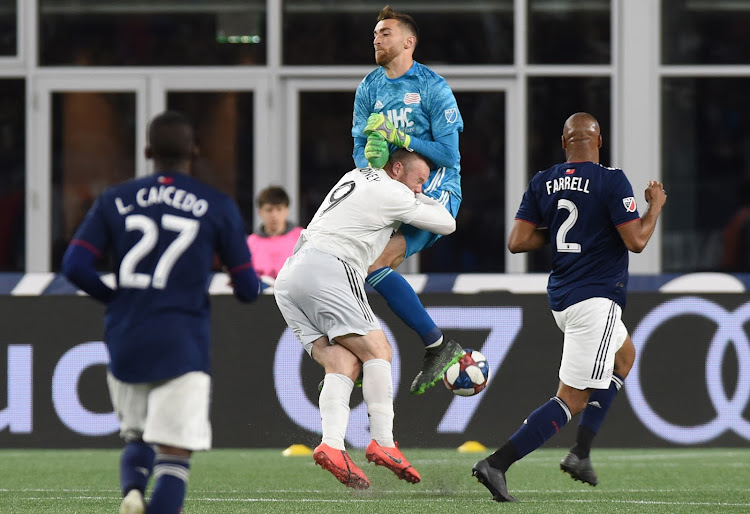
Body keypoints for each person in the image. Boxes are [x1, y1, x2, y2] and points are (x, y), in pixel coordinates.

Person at [61, 110, 260, 514]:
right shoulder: (217, 206)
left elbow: (74, 266)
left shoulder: (114, 199)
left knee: (137, 438)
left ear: (148, 151)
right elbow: (247, 290)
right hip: (182, 341)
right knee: (174, 455)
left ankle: (133, 491)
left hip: (126, 335)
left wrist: (114, 297)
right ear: (195, 150)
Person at [472, 113, 667, 502]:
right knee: (572, 398)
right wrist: (655, 206)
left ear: (565, 143)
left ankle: (581, 453)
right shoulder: (611, 179)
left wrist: (569, 233)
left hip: (563, 297)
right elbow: (637, 241)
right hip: (595, 299)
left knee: (624, 357)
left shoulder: (543, 180)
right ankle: (498, 463)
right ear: (600, 141)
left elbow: (518, 241)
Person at [274, 149, 455, 489]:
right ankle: (384, 443)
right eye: (418, 180)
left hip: (290, 278)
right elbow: (448, 224)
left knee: (341, 361)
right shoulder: (393, 191)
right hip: (330, 267)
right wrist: (427, 199)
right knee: (378, 350)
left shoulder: (356, 174)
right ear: (397, 168)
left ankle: (332, 444)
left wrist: (415, 190)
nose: (418, 188)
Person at [352, 5, 465, 395]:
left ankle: (433, 345)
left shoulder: (433, 86)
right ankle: (385, 348)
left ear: (408, 41)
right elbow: (359, 144)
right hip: (390, 192)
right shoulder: (369, 87)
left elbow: (449, 156)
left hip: (434, 191)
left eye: (385, 33)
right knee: (356, 264)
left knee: (374, 262)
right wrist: (369, 170)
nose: (377, 39)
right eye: (375, 34)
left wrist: (399, 138)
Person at [246, 185, 304, 283]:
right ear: (260, 212)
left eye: (279, 209)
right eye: (269, 210)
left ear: (287, 210)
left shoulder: (302, 237)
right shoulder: (250, 242)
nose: (274, 215)